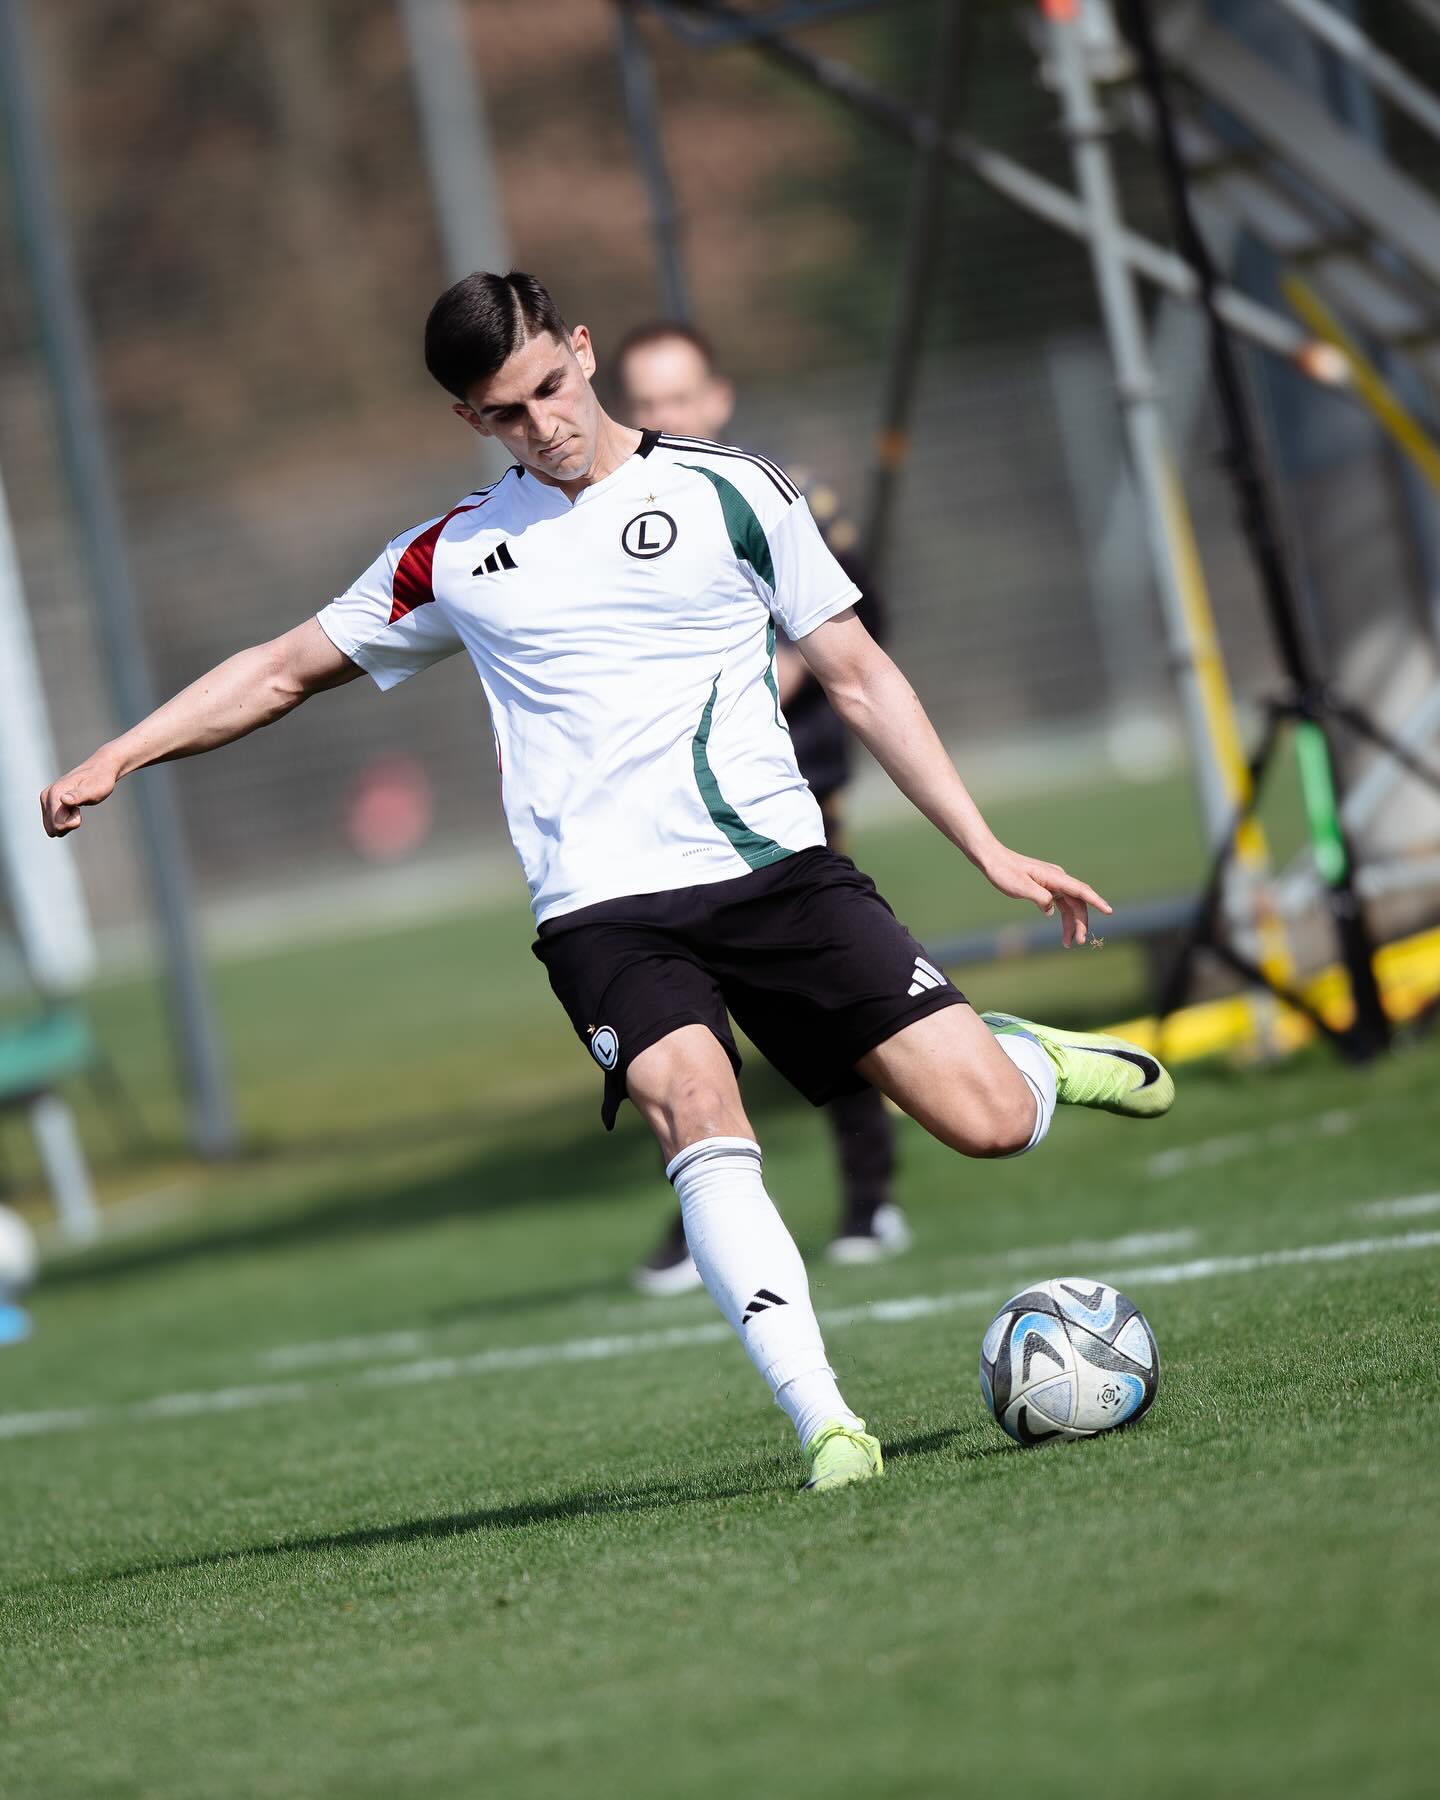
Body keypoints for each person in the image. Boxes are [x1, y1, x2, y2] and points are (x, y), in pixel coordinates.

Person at [41, 271, 1174, 1494]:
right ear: (471, 420)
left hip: (775, 873)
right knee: (695, 1105)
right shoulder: (452, 555)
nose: (544, 424)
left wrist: (985, 846)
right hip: (604, 912)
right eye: (506, 412)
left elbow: (858, 676)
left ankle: (1023, 1059)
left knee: (988, 1124)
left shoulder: (735, 490)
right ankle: (828, 1424)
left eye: (551, 386)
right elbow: (279, 670)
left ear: (581, 350)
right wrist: (120, 755)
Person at [613, 321, 906, 1291]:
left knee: (820, 997)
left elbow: (858, 626)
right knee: (684, 1013)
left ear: (718, 399)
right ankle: (708, 1216)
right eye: (646, 403)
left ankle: (870, 1198)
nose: (664, 418)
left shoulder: (781, 496)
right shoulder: (603, 520)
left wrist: (760, 680)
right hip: (663, 812)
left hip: (783, 791)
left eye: (679, 398)